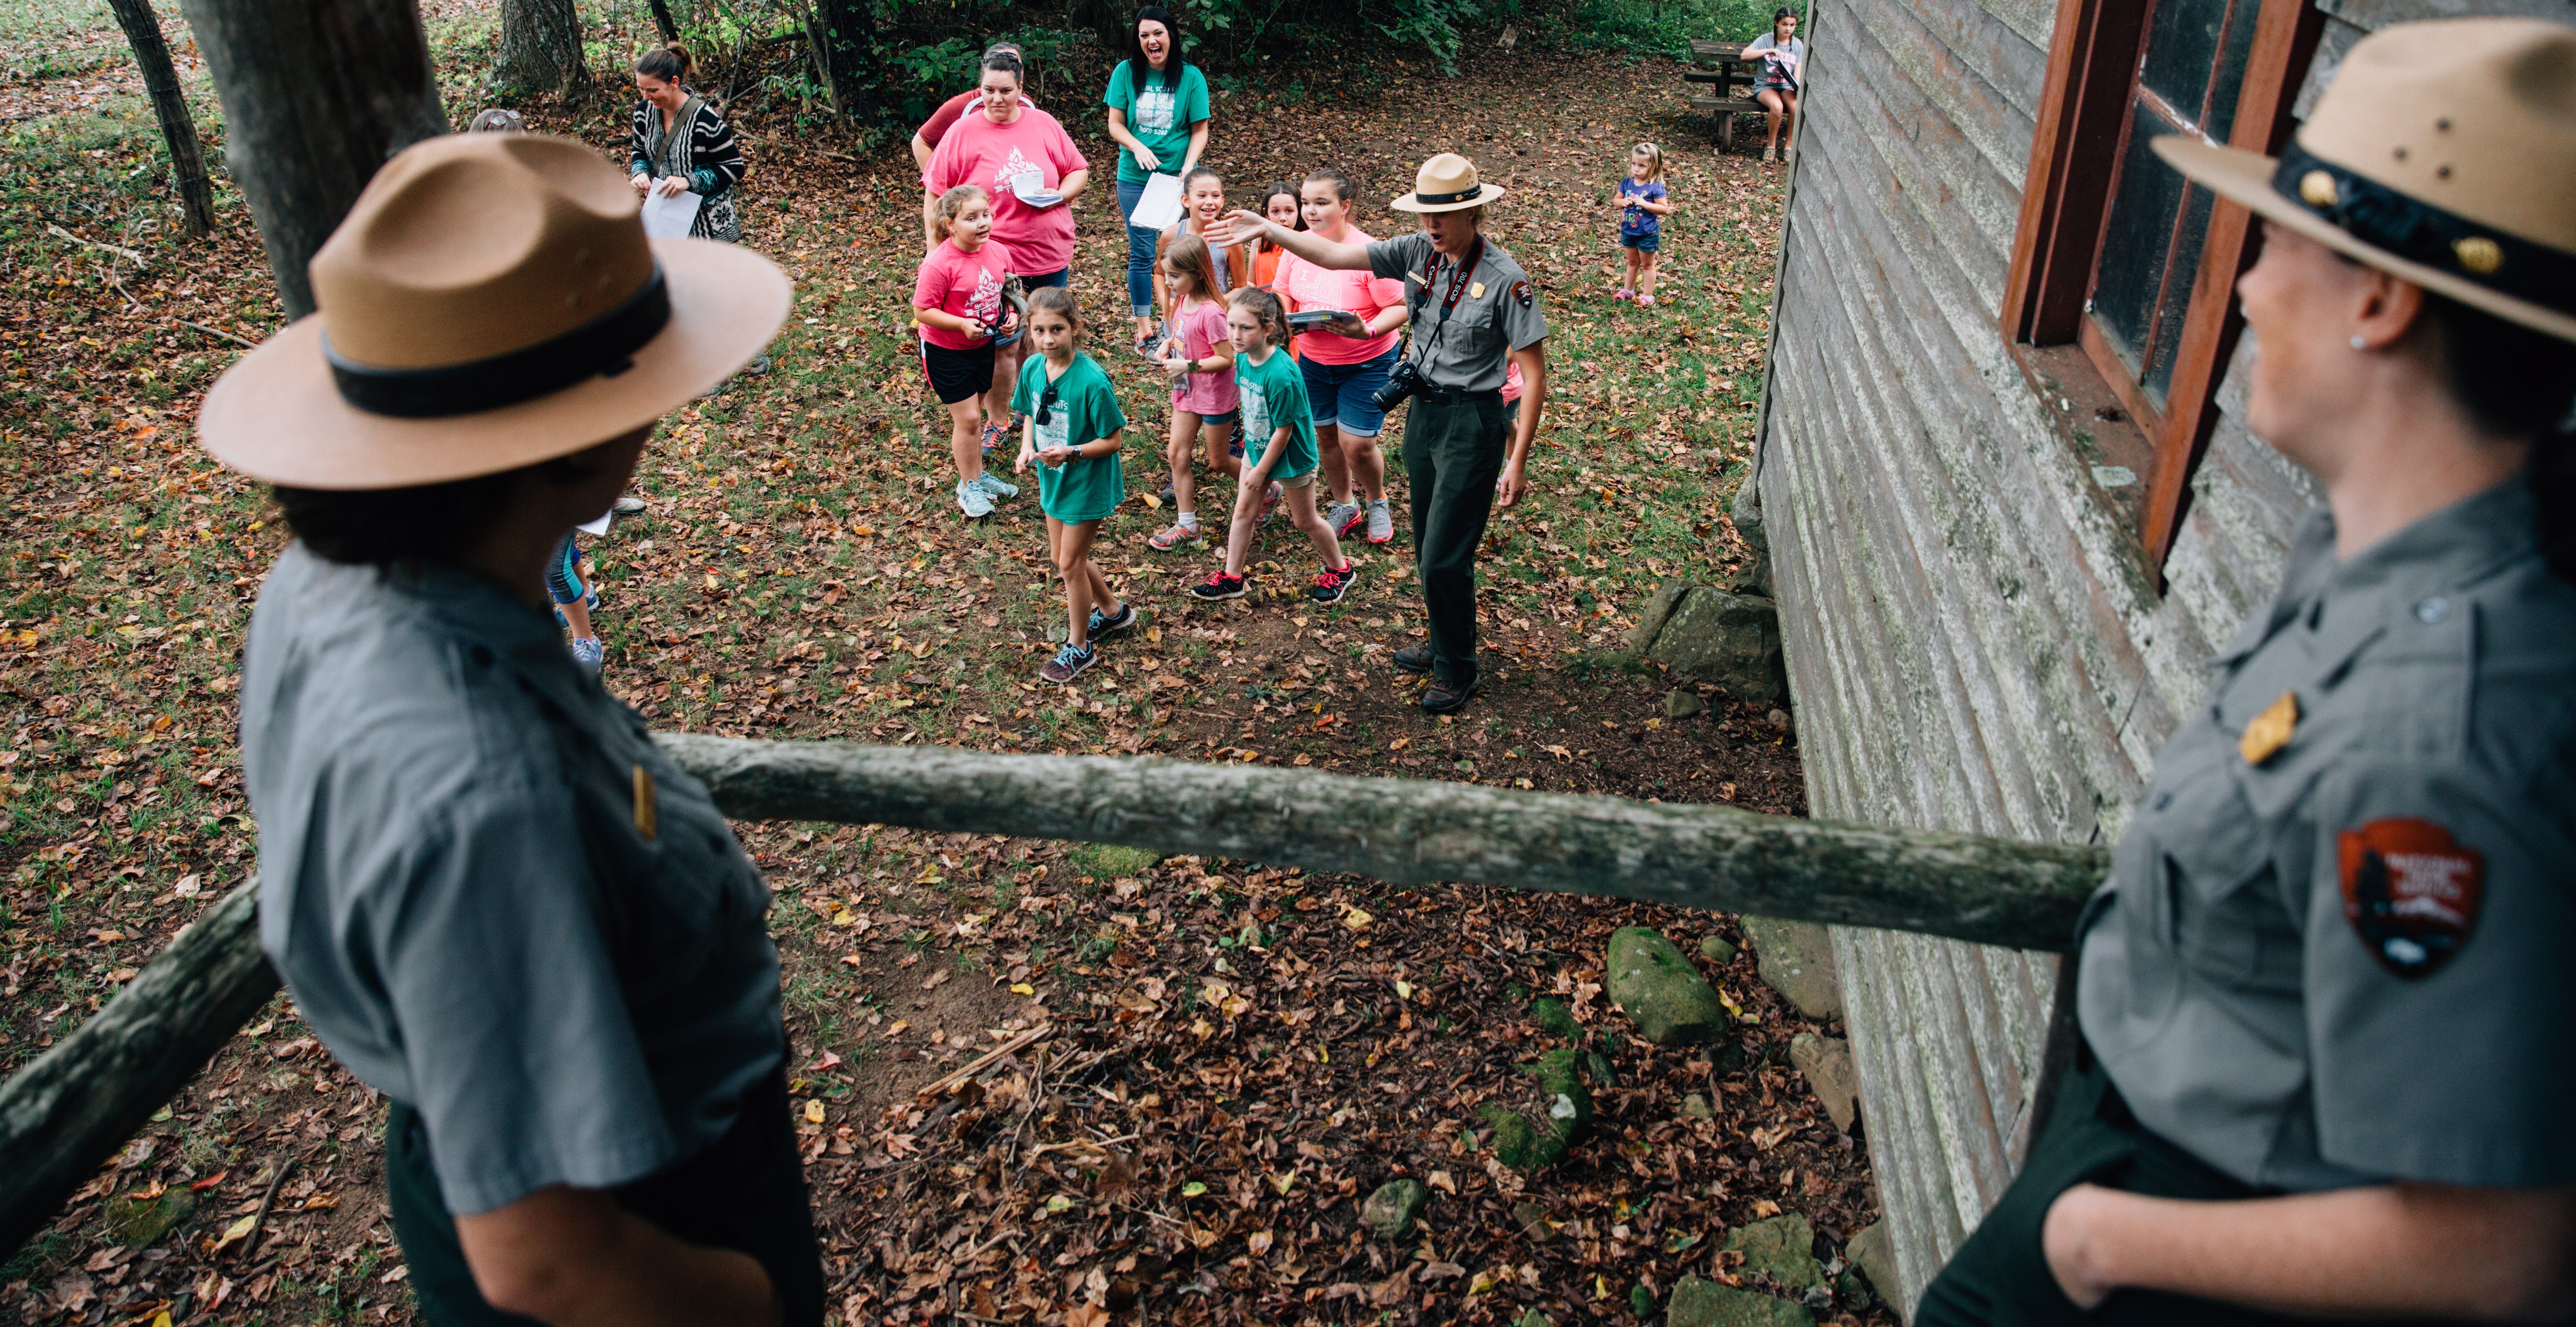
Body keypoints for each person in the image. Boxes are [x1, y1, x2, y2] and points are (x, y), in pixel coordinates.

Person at [1917, 18, 2576, 1324]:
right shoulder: (2367, 539)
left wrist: (2101, 1237)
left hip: (2197, 1235)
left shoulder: (2432, 727)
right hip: (2131, 1137)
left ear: (2380, 302)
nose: (2244, 286)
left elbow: (2493, 1250)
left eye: (2275, 246)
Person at [200, 132, 814, 1327]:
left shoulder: (331, 584)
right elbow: (546, 1257)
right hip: (646, 1235)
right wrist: (749, 1299)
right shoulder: (478, 790)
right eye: (643, 380)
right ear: (580, 439)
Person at [1216, 154, 1548, 713]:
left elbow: (1534, 373)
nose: (1431, 227)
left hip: (1474, 420)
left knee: (1445, 556)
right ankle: (1443, 642)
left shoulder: (1504, 279)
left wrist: (1517, 459)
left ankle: (1457, 669)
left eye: (1442, 216)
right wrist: (1272, 229)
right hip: (1423, 412)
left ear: (1473, 212)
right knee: (1426, 542)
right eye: (1424, 216)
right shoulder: (1417, 252)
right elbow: (1334, 252)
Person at [924, 50, 1090, 418]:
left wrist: (1060, 194)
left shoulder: (1043, 124)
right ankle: (998, 421)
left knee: (1042, 337)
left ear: (1021, 88)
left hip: (1048, 252)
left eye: (1005, 91)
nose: (996, 99)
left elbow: (1078, 169)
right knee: (1002, 342)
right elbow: (936, 191)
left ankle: (1036, 411)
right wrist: (935, 248)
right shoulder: (962, 132)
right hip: (991, 259)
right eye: (988, 90)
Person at [1188, 289, 1358, 606]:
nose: (1235, 336)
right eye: (1231, 326)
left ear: (1267, 329)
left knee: (1304, 521)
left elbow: (1284, 430)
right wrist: (1252, 453)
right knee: (1243, 512)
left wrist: (1262, 470)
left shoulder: (1281, 374)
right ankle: (1232, 577)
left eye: (1245, 328)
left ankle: (1341, 569)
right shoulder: (1243, 357)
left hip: (1292, 458)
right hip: (1257, 449)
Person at [1276, 166, 1409, 547]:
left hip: (1367, 362)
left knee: (1358, 443)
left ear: (1345, 206)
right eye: (1305, 203)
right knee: (1327, 437)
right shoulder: (1296, 245)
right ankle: (1343, 504)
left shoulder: (1367, 253)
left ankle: (1376, 499)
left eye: (1321, 203)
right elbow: (1284, 292)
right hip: (1315, 361)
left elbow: (1400, 306)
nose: (1310, 211)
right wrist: (1286, 318)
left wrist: (1367, 329)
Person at [1011, 288, 1136, 685]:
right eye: (1040, 331)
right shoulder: (1033, 367)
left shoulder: (1092, 381)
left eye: (1057, 330)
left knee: (1069, 564)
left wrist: (1073, 452)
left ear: (1074, 328)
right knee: (1064, 558)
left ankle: (1079, 647)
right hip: (1053, 477)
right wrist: (1027, 447)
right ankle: (1114, 612)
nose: (1048, 339)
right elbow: (1031, 413)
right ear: (1030, 332)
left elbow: (1113, 441)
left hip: (1086, 480)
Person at [630, 44, 764, 384]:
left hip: (708, 219)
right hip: (667, 219)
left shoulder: (705, 120)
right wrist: (640, 171)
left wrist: (690, 180)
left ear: (674, 83)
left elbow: (734, 168)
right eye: (641, 90)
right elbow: (639, 152)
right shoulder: (644, 113)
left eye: (653, 90)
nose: (647, 97)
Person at [1104, 5, 1212, 353]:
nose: (1152, 41)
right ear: (1138, 42)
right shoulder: (1125, 72)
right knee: (1142, 252)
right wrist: (1135, 146)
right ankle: (1144, 332)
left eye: (1158, 34)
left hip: (1176, 182)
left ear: (1171, 37)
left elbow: (1200, 129)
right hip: (1135, 178)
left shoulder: (1191, 77)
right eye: (1144, 35)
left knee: (1180, 251)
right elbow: (1115, 124)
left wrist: (1188, 168)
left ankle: (1179, 324)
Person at [913, 185, 1024, 518]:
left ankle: (976, 476)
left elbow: (1009, 292)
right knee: (971, 420)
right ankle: (968, 488)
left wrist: (1013, 316)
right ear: (950, 225)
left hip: (982, 345)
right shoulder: (939, 264)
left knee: (974, 415)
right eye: (971, 218)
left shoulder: (998, 251)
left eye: (986, 215)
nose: (982, 223)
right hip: (945, 350)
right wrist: (960, 324)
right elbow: (922, 311)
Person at [1146, 235, 1240, 551]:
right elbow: (1179, 334)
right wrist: (1167, 344)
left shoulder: (1213, 312)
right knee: (1177, 453)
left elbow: (1226, 358)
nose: (1168, 282)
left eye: (1174, 276)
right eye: (1166, 274)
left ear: (1197, 273)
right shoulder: (1181, 300)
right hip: (1187, 392)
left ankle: (1267, 490)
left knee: (1219, 461)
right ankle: (1188, 525)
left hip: (1214, 395)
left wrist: (1189, 365)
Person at [911, 42, 1031, 248]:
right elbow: (921, 142)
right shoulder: (963, 105)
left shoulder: (1027, 104)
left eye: (1014, 66)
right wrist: (951, 195)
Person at [1153, 167, 1249, 309]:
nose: (1210, 202)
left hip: (1214, 321)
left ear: (1222, 200)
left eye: (1215, 196)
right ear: (1186, 200)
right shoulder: (1171, 235)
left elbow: (1241, 288)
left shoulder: (1229, 239)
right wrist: (1164, 300)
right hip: (1178, 321)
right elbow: (1160, 275)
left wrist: (1215, 302)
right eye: (1202, 196)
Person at [1615, 142, 1672, 306]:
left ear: (1653, 167)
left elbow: (1664, 208)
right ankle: (1628, 291)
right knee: (1632, 263)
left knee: (1647, 265)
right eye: (1634, 164)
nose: (1636, 169)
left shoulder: (1655, 188)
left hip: (1647, 233)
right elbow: (1616, 201)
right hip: (1629, 231)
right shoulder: (1627, 183)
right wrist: (1623, 202)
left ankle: (1648, 295)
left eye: (1642, 166)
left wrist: (1646, 204)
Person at [1743, 8, 1803, 163]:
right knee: (1777, 107)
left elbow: (1798, 70)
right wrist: (1767, 51)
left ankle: (1789, 147)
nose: (1788, 29)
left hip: (1786, 87)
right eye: (1784, 24)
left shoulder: (1797, 45)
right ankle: (1771, 146)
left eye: (1792, 25)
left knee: (1796, 107)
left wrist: (1797, 86)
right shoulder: (1766, 39)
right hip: (1765, 87)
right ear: (1777, 23)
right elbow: (1744, 55)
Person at [1248, 180, 1304, 291]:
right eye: (1276, 211)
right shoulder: (1259, 241)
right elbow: (1252, 281)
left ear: (1299, 212)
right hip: (1265, 306)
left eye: (1289, 211)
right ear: (1266, 214)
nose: (1283, 218)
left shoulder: (1307, 243)